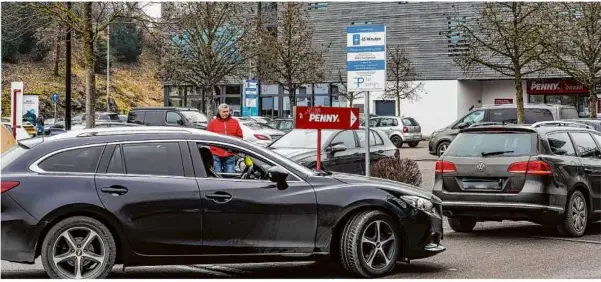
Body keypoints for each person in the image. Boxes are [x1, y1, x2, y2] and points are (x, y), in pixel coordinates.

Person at [206, 103, 243, 173]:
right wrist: (213, 148)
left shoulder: (235, 122)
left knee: (230, 175)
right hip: (216, 154)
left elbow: (240, 137)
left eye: (227, 111)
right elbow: (208, 138)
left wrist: (235, 149)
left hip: (230, 154)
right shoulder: (213, 123)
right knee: (217, 175)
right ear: (219, 112)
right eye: (223, 112)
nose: (226, 113)